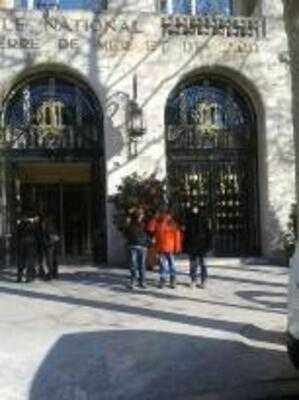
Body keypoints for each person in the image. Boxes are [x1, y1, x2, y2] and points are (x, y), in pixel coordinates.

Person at [148, 207, 182, 289]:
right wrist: (154, 218)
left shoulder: (172, 223)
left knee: (171, 264)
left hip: (169, 247)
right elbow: (150, 229)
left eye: (164, 213)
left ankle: (172, 279)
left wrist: (177, 247)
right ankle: (163, 279)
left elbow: (177, 235)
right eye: (161, 213)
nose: (163, 215)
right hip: (161, 247)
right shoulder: (157, 222)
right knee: (163, 265)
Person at [124, 210, 152, 289]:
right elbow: (126, 233)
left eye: (141, 215)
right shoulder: (130, 224)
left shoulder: (144, 224)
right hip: (133, 246)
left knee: (141, 265)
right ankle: (134, 281)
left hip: (141, 246)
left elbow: (148, 234)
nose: (141, 216)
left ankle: (142, 281)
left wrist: (149, 242)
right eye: (139, 215)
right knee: (133, 265)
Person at [184, 210, 211, 289]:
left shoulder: (204, 219)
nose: (194, 210)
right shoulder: (189, 219)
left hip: (202, 246)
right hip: (193, 246)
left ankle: (203, 280)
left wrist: (208, 246)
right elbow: (186, 234)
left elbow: (209, 233)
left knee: (203, 264)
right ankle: (193, 280)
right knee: (193, 264)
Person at [16, 211, 38, 283]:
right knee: (30, 261)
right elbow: (35, 232)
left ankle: (19, 276)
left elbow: (17, 233)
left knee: (21, 261)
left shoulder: (20, 225)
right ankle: (29, 277)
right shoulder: (31, 224)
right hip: (30, 244)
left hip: (21, 244)